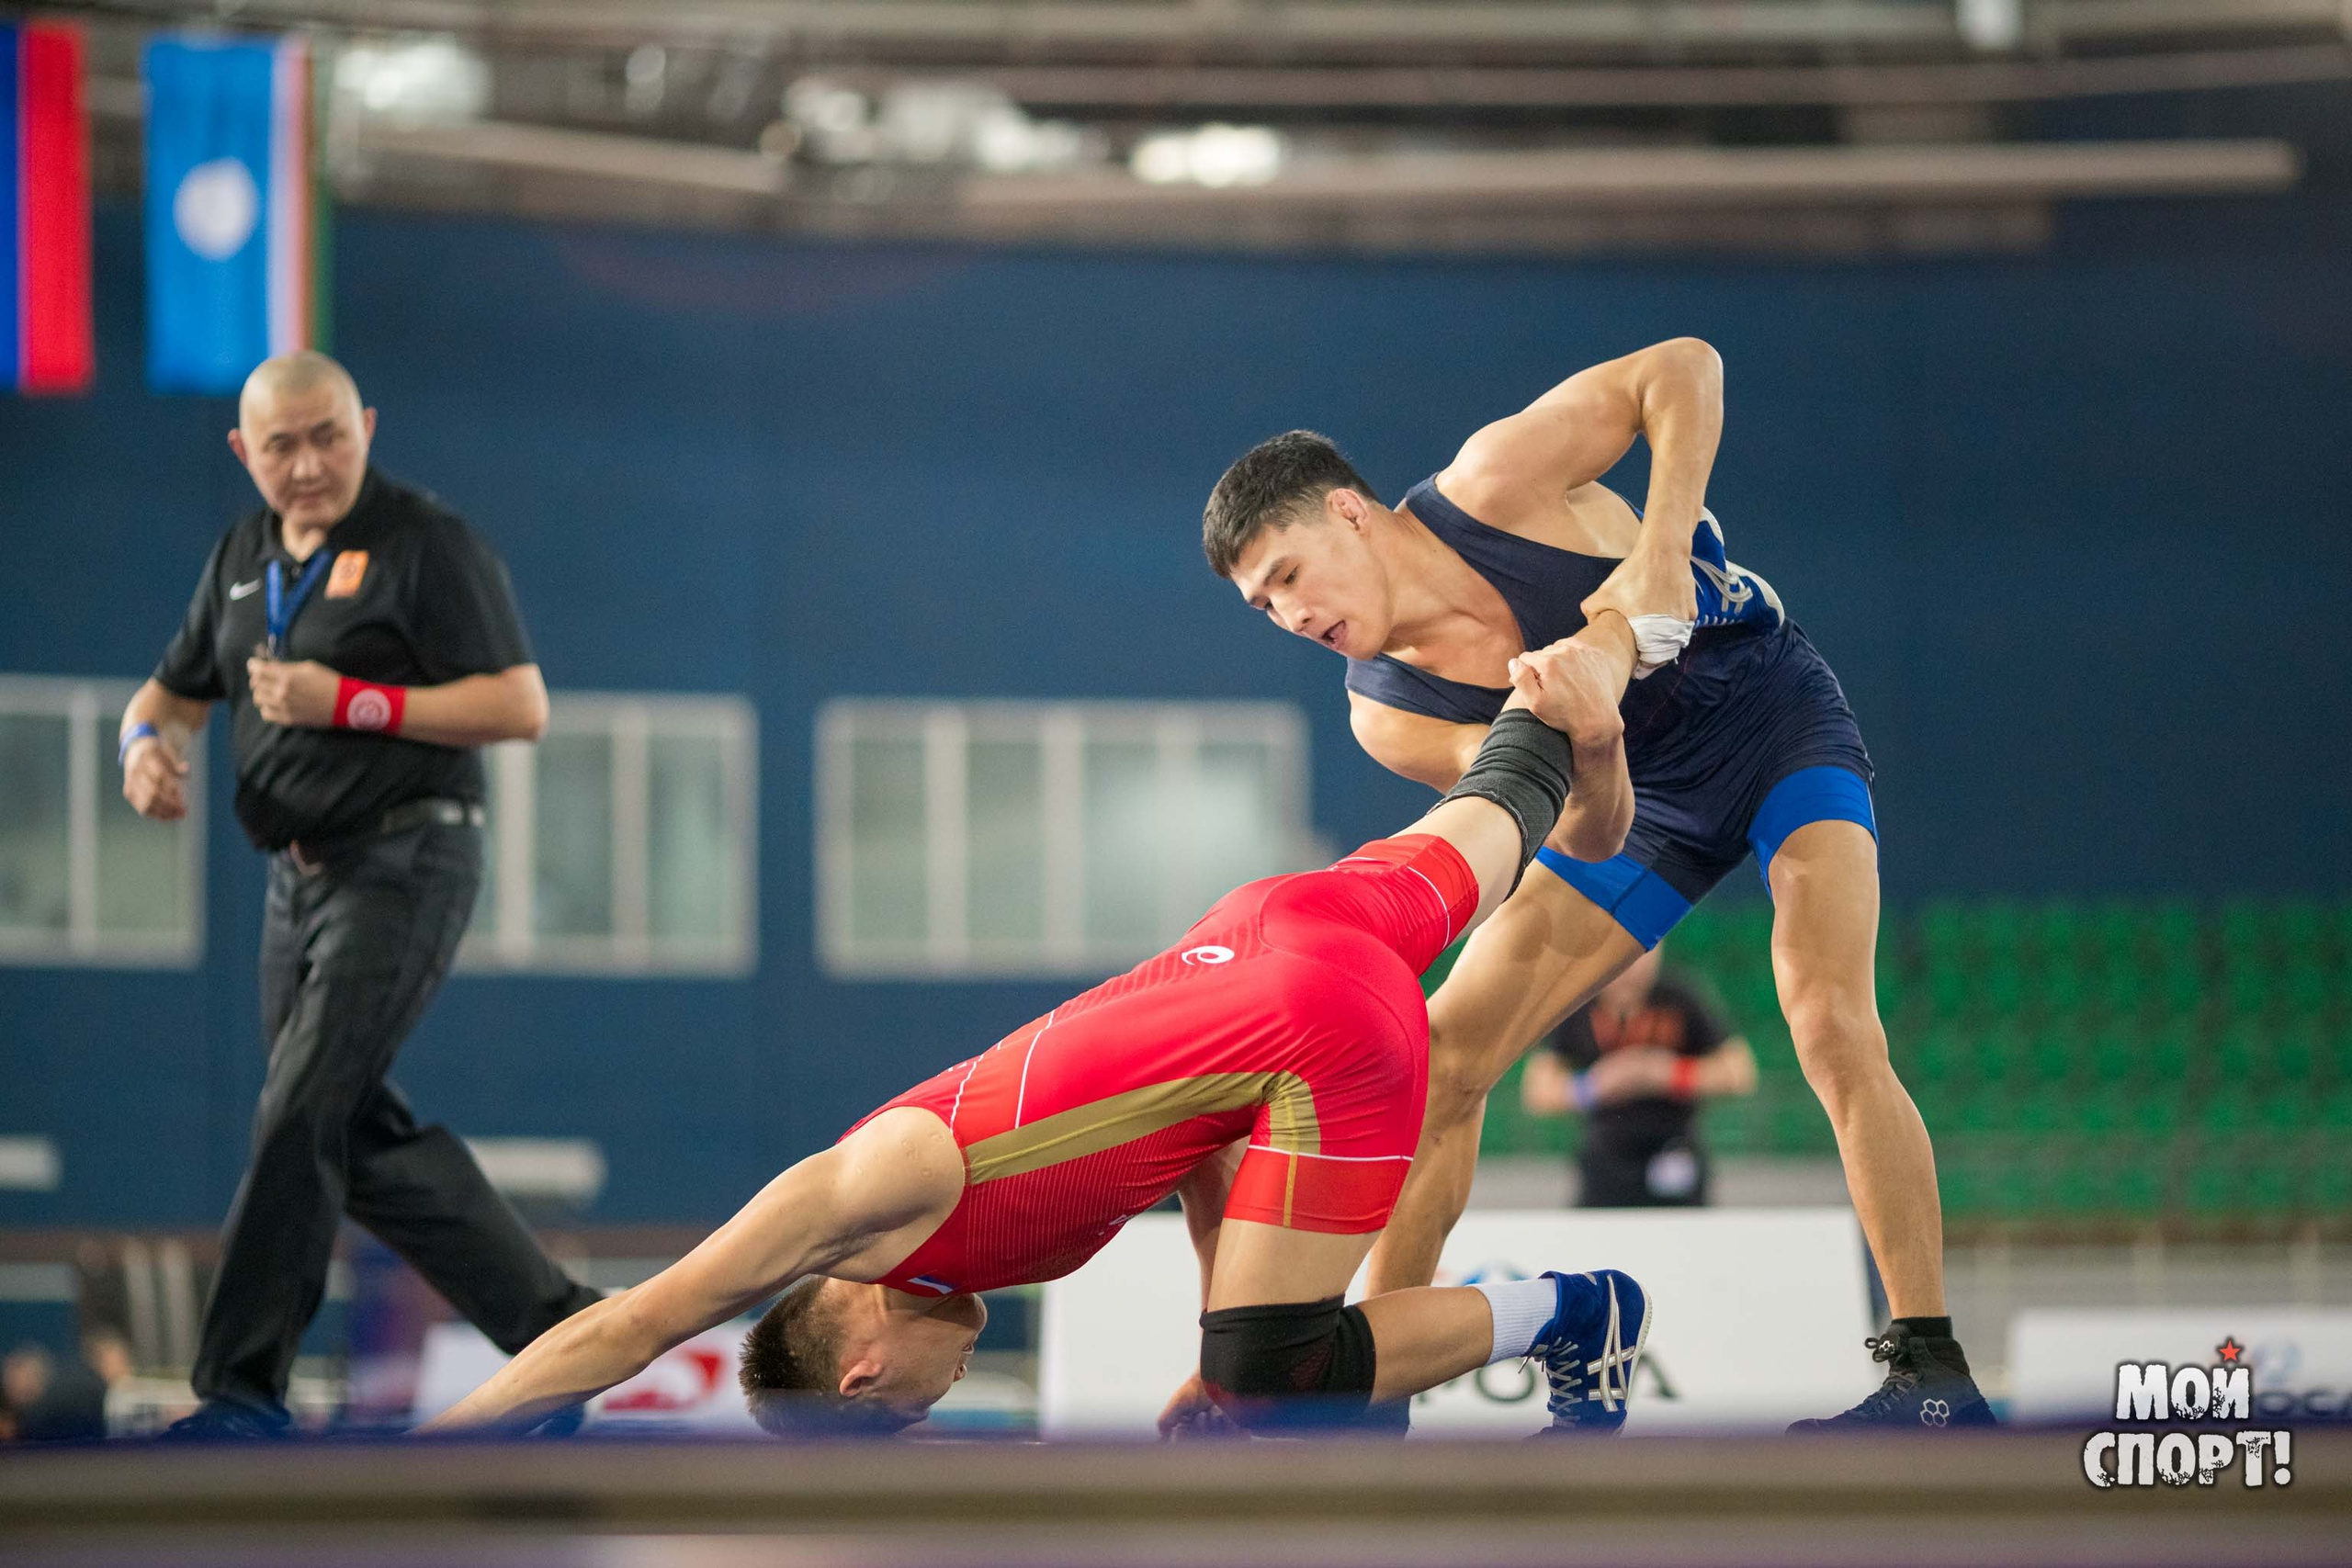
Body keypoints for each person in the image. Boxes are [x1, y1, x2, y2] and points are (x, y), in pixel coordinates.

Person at [424, 630, 1651, 1438]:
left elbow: (635, 1321)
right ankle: (1635, 629)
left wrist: (419, 1459)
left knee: (1277, 1375)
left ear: (861, 1373)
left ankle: (1568, 1310)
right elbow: (1209, 1138)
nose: (940, 1393)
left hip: (1318, 1033)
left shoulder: (876, 1192)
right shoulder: (947, 1254)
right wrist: (1223, 1326)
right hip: (1278, 924)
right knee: (1523, 754)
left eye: (908, 1408)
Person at [1203, 338, 1993, 1429]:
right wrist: (1596, 732)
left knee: (1830, 1022)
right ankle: (1374, 1385)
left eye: (1286, 575)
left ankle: (1928, 1373)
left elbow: (1686, 368)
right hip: (1636, 795)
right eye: (1261, 607)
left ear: (1347, 511)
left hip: (1770, 718)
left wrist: (1662, 550)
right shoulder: (1389, 712)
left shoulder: (1495, 483)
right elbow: (1588, 821)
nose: (1288, 615)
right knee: (1436, 1063)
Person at [119, 351, 599, 1438]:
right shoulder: (241, 555)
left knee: (296, 1110)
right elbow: (174, 689)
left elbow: (522, 706)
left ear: (365, 427)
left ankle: (239, 1395)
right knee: (350, 1134)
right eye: (279, 445)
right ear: (244, 453)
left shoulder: (427, 544)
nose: (306, 464)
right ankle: (564, 1336)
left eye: (326, 436)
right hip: (297, 883)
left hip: (410, 858)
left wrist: (355, 702)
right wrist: (142, 744)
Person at [1519, 942, 1757, 1208]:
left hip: (1674, 1152)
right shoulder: (1579, 1001)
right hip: (1606, 1161)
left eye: (1645, 950)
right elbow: (1538, 1091)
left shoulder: (1680, 997)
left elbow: (1739, 1072)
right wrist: (1595, 1086)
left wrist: (1667, 1074)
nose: (1633, 965)